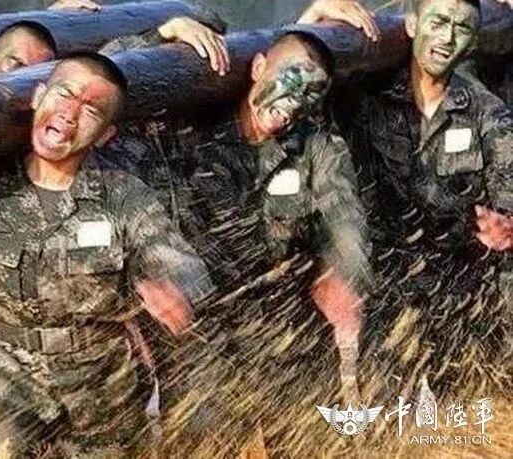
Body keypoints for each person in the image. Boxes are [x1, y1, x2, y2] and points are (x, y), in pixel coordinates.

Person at [0, 51, 212, 456]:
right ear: (37, 96)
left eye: (91, 111)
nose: (70, 113)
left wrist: (175, 289)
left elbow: (181, 263)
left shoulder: (122, 196)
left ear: (105, 135)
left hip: (103, 377)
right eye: (64, 94)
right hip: (10, 370)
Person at [117, 32, 370, 449]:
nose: (295, 102)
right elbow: (105, 77)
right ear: (257, 67)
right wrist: (159, 33)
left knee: (310, 442)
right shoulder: (187, 130)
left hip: (284, 323)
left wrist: (343, 273)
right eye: (290, 80)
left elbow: (346, 219)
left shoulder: (317, 146)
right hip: (200, 330)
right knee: (205, 444)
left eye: (311, 94)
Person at [302, 0, 513, 401]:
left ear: (472, 42)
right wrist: (312, 20)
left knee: (472, 405)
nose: (447, 37)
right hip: (384, 284)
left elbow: (508, 186)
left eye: (462, 28)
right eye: (439, 21)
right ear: (413, 24)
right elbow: (295, 97)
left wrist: (506, 224)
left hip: (459, 287)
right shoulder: (366, 96)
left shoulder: (487, 112)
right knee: (383, 409)